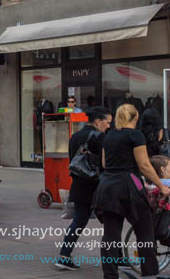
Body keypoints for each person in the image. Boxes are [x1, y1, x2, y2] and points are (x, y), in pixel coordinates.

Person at [92, 103, 169, 279]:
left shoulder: (108, 135)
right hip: (129, 185)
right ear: (135, 118)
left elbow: (104, 164)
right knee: (145, 232)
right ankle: (149, 273)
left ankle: (110, 275)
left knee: (111, 236)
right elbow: (144, 165)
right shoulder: (136, 135)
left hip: (107, 188)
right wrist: (161, 186)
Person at [54, 106, 112, 271]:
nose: (109, 126)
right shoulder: (100, 137)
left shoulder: (75, 136)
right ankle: (118, 258)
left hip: (79, 184)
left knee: (78, 221)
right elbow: (105, 163)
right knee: (112, 223)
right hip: (97, 186)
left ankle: (64, 256)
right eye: (107, 122)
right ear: (98, 121)